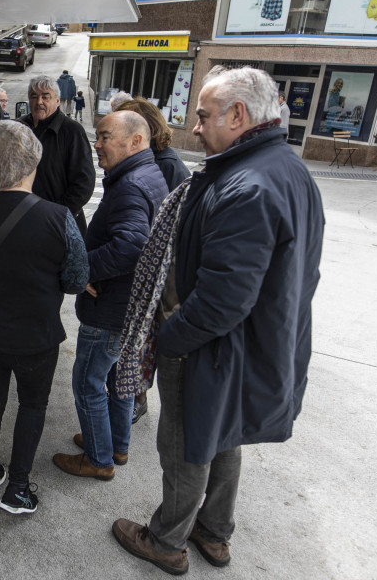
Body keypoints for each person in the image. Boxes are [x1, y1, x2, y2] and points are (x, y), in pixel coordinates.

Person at [111, 66, 324, 575]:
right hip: (249, 344)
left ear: (238, 114)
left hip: (212, 344)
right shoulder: (283, 168)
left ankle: (166, 540)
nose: (196, 128)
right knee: (223, 434)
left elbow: (224, 298)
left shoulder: (248, 184)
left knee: (184, 445)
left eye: (205, 117)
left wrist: (171, 338)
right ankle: (214, 530)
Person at [0, 120, 89, 514]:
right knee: (31, 405)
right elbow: (77, 280)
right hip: (35, 336)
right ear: (33, 162)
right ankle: (19, 490)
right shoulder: (59, 217)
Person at [52, 111, 167, 481]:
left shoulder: (131, 185)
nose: (96, 145)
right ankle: (116, 444)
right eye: (97, 136)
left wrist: (83, 269)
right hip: (127, 306)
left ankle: (99, 459)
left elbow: (132, 246)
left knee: (87, 381)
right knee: (118, 380)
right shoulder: (147, 174)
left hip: (110, 307)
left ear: (135, 141)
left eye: (104, 136)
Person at [113, 97, 190, 424]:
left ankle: (136, 400)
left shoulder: (168, 164)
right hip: (143, 267)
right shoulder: (151, 160)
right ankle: (130, 398)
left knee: (142, 342)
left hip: (157, 273)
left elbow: (171, 225)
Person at [18, 76, 95, 235]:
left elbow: (84, 184)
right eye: (34, 96)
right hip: (22, 220)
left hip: (59, 225)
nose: (39, 101)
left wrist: (56, 213)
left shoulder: (72, 131)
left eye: (46, 97)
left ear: (58, 101)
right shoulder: (18, 128)